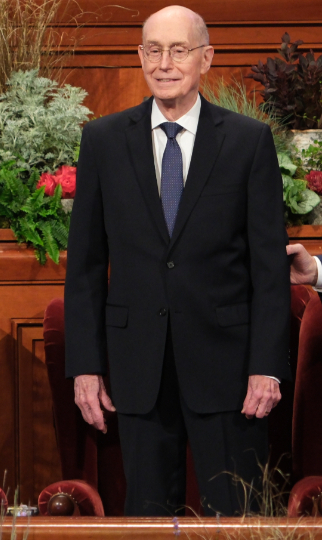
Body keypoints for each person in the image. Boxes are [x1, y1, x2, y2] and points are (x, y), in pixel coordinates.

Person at [64, 6, 289, 516]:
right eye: (154, 50)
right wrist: (86, 367)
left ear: (205, 59)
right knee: (146, 517)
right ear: (140, 56)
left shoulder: (248, 141)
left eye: (179, 50)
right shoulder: (102, 140)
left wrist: (266, 367)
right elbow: (85, 269)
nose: (164, 64)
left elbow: (270, 272)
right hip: (136, 370)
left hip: (229, 371)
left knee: (237, 515)